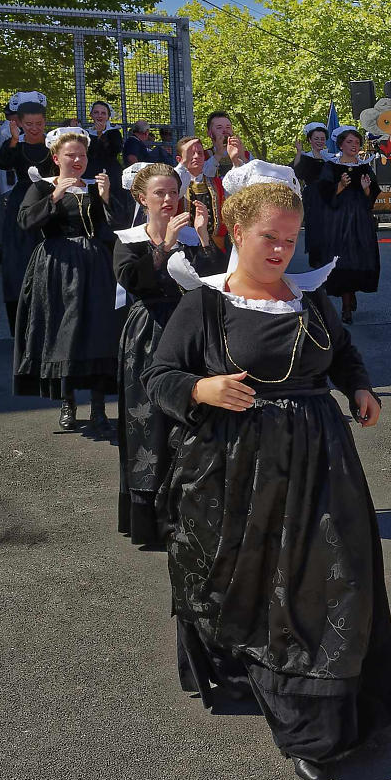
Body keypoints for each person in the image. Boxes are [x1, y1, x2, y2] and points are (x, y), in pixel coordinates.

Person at [145, 178, 391, 780]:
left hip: (322, 462)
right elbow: (160, 377)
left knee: (331, 581)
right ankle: (262, 684)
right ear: (237, 234)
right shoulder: (205, 305)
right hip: (237, 469)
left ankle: (316, 723)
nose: (282, 250)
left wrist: (358, 386)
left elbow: (342, 353)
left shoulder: (308, 299)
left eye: (290, 239)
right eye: (270, 238)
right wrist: (201, 388)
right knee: (254, 584)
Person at [113, 163, 225, 548]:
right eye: (159, 193)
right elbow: (133, 280)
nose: (167, 200)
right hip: (149, 335)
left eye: (173, 193)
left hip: (191, 333)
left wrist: (205, 235)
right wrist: (163, 247)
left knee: (191, 417)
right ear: (142, 198)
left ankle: (191, 510)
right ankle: (150, 518)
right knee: (149, 422)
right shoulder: (129, 238)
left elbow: (219, 279)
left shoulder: (192, 236)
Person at [13, 127, 119, 432]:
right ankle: (67, 403)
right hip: (57, 267)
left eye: (82, 155)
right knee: (65, 334)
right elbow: (25, 221)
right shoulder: (42, 187)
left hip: (95, 266)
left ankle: (99, 408)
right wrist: (56, 196)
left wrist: (107, 198)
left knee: (98, 332)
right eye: (71, 155)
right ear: (56, 157)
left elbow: (112, 228)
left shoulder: (93, 186)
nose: (77, 160)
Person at [301, 125, 382, 324]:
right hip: (338, 221)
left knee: (359, 260)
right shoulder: (331, 167)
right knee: (343, 261)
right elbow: (324, 194)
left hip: (360, 222)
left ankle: (351, 292)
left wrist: (365, 189)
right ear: (341, 145)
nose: (354, 146)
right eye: (349, 142)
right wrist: (340, 186)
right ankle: (346, 305)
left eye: (356, 142)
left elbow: (372, 195)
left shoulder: (364, 167)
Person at [0, 96, 52, 334]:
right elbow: (2, 163)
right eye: (29, 124)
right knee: (18, 259)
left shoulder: (53, 146)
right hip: (22, 201)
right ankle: (19, 325)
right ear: (20, 123)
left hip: (49, 199)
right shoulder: (15, 145)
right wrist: (15, 140)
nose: (34, 128)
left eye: (39, 123)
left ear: (44, 122)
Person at [176, 135, 228, 254]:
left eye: (200, 153)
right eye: (191, 153)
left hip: (217, 247)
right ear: (179, 159)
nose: (197, 157)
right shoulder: (175, 185)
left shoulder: (218, 183)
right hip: (184, 248)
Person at [87, 100, 130, 224]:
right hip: (91, 173)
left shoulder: (114, 132)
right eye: (96, 112)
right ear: (91, 115)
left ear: (108, 116)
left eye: (103, 113)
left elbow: (114, 151)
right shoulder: (87, 134)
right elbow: (90, 153)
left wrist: (102, 134)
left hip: (111, 174)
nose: (99, 116)